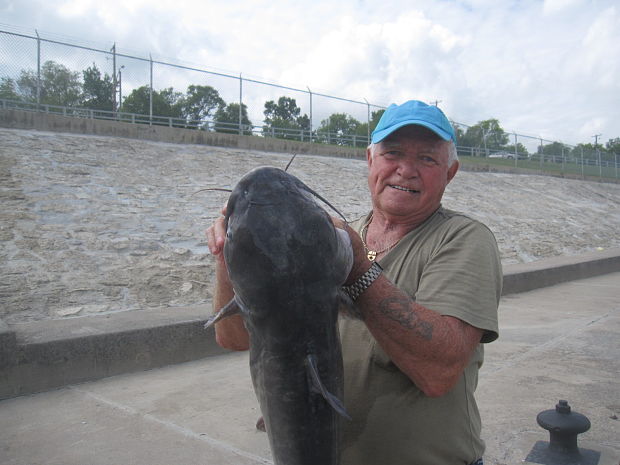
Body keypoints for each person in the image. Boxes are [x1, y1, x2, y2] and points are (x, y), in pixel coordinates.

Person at [206, 100, 502, 465]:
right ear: (370, 159)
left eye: (427, 159)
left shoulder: (463, 239)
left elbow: (438, 372)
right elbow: (233, 338)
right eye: (392, 153)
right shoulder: (335, 235)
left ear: (450, 171)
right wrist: (229, 251)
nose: (406, 170)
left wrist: (356, 268)